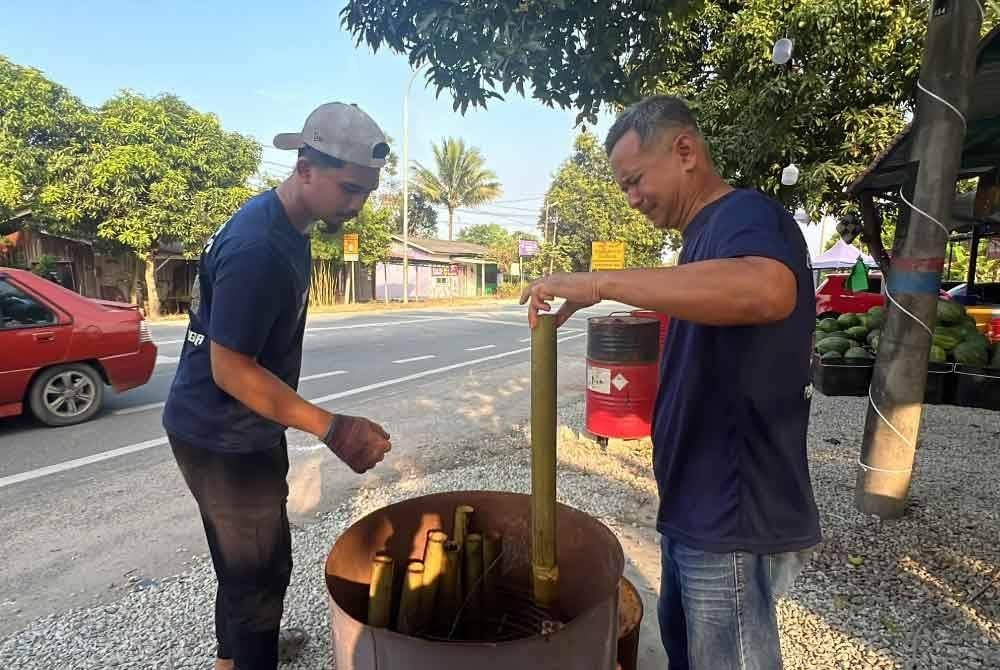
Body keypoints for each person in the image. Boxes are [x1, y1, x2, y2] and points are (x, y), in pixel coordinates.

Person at [521, 95, 820, 670]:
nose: (632, 201)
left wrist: (601, 282)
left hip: (729, 510)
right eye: (624, 189)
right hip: (692, 502)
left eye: (635, 181)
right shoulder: (698, 242)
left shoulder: (745, 215)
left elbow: (767, 290)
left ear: (685, 151)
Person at [163, 102, 394, 670]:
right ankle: (249, 656)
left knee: (248, 566)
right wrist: (332, 429)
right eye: (348, 188)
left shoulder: (285, 223)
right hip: (221, 433)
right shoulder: (258, 247)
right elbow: (231, 370)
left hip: (245, 423)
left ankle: (233, 657)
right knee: (258, 575)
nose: (357, 204)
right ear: (305, 167)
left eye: (366, 191)